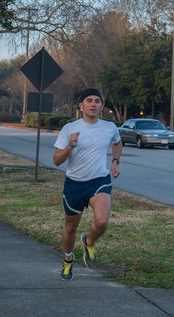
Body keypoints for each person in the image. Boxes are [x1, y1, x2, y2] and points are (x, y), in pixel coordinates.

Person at [53, 88, 121, 280]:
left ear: (101, 106)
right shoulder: (69, 129)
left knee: (101, 221)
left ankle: (89, 241)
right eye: (89, 100)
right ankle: (68, 259)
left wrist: (115, 162)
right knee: (70, 227)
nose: (93, 104)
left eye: (97, 101)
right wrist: (70, 147)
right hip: (74, 184)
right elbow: (56, 160)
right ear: (81, 106)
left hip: (99, 180)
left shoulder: (109, 128)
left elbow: (117, 142)